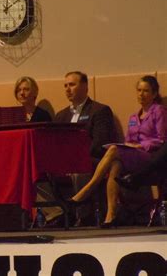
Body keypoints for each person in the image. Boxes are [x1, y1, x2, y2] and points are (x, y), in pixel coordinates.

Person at [69, 75, 167, 228]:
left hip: (150, 157)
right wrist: (129, 145)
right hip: (133, 155)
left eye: (146, 91)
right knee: (115, 164)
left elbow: (161, 140)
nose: (141, 94)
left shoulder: (159, 111)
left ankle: (88, 189)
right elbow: (129, 139)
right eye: (139, 90)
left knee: (114, 150)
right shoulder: (134, 116)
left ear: (154, 94)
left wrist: (140, 146)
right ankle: (110, 216)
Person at [41, 71, 116, 227]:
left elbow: (100, 143)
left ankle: (84, 216)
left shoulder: (99, 110)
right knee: (36, 170)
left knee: (79, 169)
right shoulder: (61, 115)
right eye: (65, 86)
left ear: (85, 87)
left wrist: (74, 160)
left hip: (92, 161)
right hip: (66, 163)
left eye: (72, 85)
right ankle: (56, 214)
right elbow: (55, 145)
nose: (68, 89)